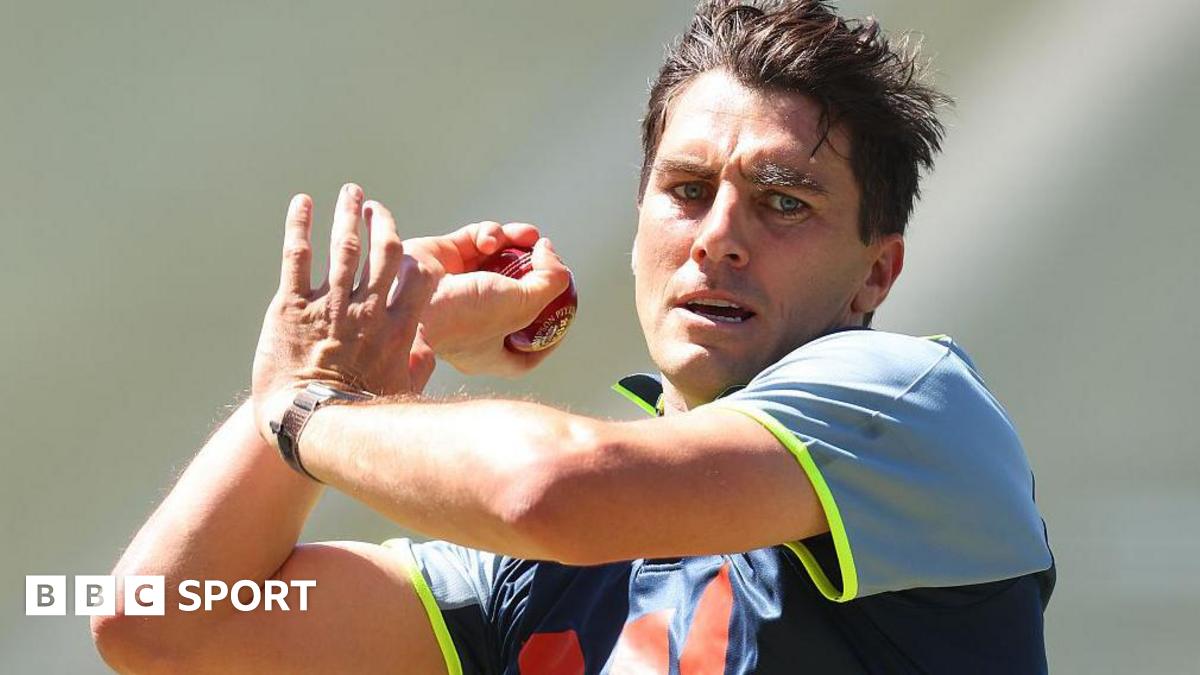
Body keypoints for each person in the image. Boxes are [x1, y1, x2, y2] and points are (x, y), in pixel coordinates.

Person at [91, 1, 1055, 673]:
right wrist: (323, 371)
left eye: (783, 202)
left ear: (876, 274)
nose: (717, 236)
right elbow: (156, 625)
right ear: (639, 225)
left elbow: (547, 489)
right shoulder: (523, 577)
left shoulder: (910, 406)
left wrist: (311, 409)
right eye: (687, 191)